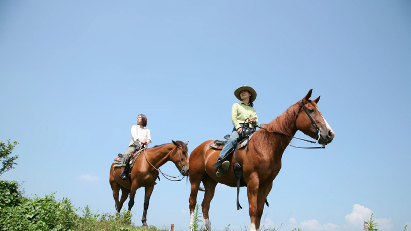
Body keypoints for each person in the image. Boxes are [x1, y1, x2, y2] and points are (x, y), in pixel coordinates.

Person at [215, 85, 258, 177]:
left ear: (250, 94)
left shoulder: (253, 109)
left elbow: (256, 119)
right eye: (241, 92)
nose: (242, 93)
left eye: (245, 91)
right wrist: (238, 127)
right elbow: (234, 118)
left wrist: (253, 121)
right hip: (239, 129)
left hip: (250, 130)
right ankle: (220, 161)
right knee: (233, 140)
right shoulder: (236, 105)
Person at [119, 114, 152, 180]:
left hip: (143, 147)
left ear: (143, 119)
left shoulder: (147, 130)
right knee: (126, 155)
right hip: (134, 146)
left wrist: (146, 142)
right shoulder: (134, 127)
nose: (137, 119)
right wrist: (142, 141)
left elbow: (149, 138)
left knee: (151, 158)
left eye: (139, 118)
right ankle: (123, 172)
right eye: (137, 118)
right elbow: (135, 136)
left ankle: (151, 175)